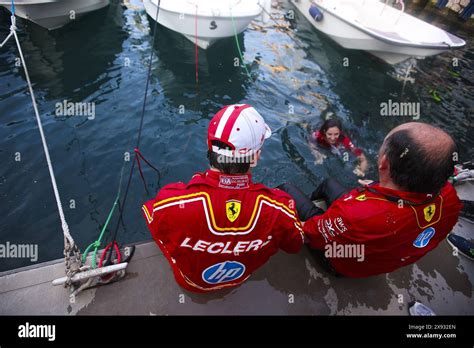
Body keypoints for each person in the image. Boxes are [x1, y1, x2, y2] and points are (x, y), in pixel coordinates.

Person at [141, 104, 305, 292]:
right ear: (256, 157)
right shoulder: (279, 208)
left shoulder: (174, 201)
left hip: (190, 282)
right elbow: (294, 244)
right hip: (241, 278)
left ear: (209, 146)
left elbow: (153, 219)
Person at [300, 122, 462, 277]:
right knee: (329, 184)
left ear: (384, 162)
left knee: (286, 189)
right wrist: (378, 188)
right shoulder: (451, 199)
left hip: (340, 264)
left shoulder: (356, 215)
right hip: (380, 261)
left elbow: (308, 235)